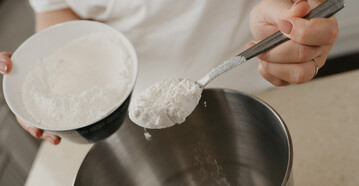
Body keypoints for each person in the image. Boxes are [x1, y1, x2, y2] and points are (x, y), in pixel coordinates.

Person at [0, 0, 338, 145]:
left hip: (266, 86)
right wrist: (40, 81)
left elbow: (298, 5)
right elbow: (57, 10)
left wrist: (293, 15)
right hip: (137, 117)